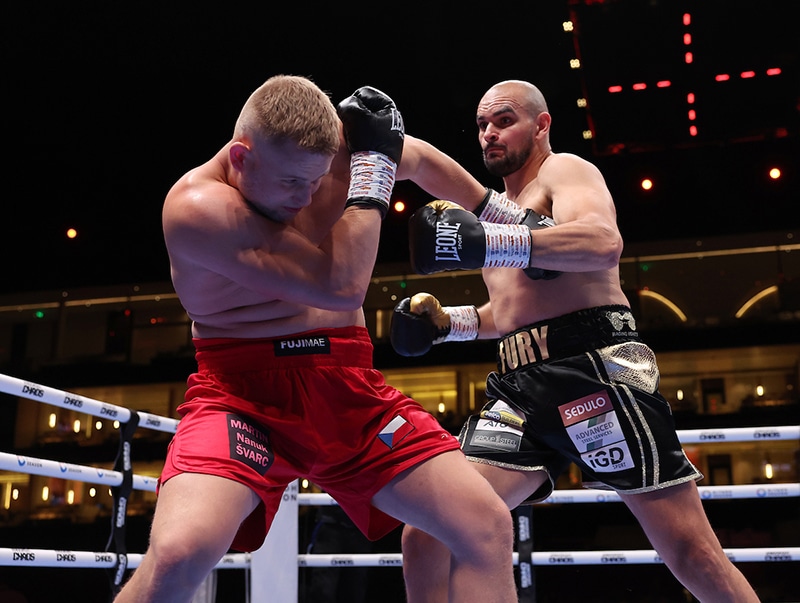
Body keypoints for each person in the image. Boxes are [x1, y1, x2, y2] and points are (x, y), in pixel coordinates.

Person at [114, 75, 517, 603]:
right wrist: (372, 177)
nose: (305, 195)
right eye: (290, 184)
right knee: (180, 552)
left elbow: (412, 158)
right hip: (242, 398)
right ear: (241, 158)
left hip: (350, 391)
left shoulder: (323, 161)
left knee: (484, 523)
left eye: (316, 180)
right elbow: (340, 284)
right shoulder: (196, 208)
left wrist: (510, 225)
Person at [392, 79, 760, 602]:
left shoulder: (563, 171)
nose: (489, 134)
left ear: (541, 125)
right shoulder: (502, 209)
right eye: (481, 126)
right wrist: (447, 323)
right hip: (519, 389)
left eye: (503, 120)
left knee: (691, 553)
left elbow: (602, 243)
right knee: (431, 530)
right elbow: (513, 312)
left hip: (593, 371)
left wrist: (494, 240)